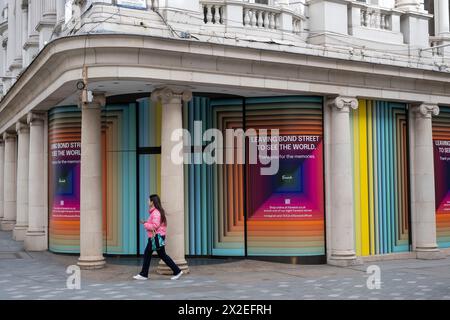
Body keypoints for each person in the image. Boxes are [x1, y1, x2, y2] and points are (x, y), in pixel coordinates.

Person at [133, 194, 184, 281]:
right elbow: (156, 224)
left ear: (152, 202)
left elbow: (155, 226)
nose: (147, 202)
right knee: (161, 255)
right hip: (157, 236)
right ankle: (177, 271)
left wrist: (145, 224)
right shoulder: (156, 212)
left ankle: (144, 274)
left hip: (156, 237)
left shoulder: (156, 212)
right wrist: (146, 222)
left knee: (148, 254)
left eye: (149, 200)